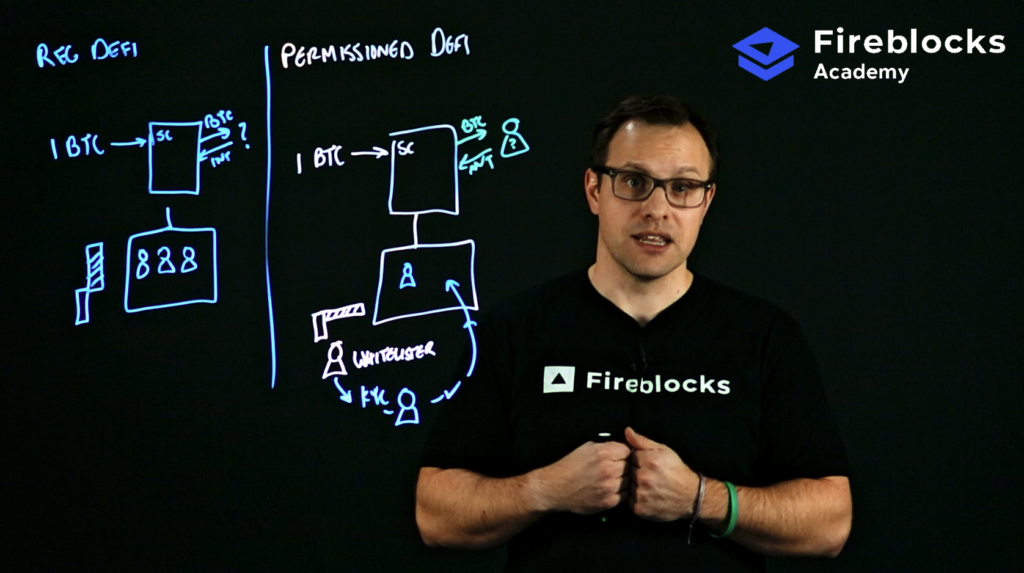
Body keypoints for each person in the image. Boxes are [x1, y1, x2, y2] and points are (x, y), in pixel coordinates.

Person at [415, 95, 852, 572]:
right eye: (633, 182)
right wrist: (545, 490)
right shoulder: (514, 328)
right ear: (594, 190)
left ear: (706, 201)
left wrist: (699, 498)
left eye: (682, 187)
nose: (657, 208)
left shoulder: (765, 336)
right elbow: (435, 514)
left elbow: (829, 524)